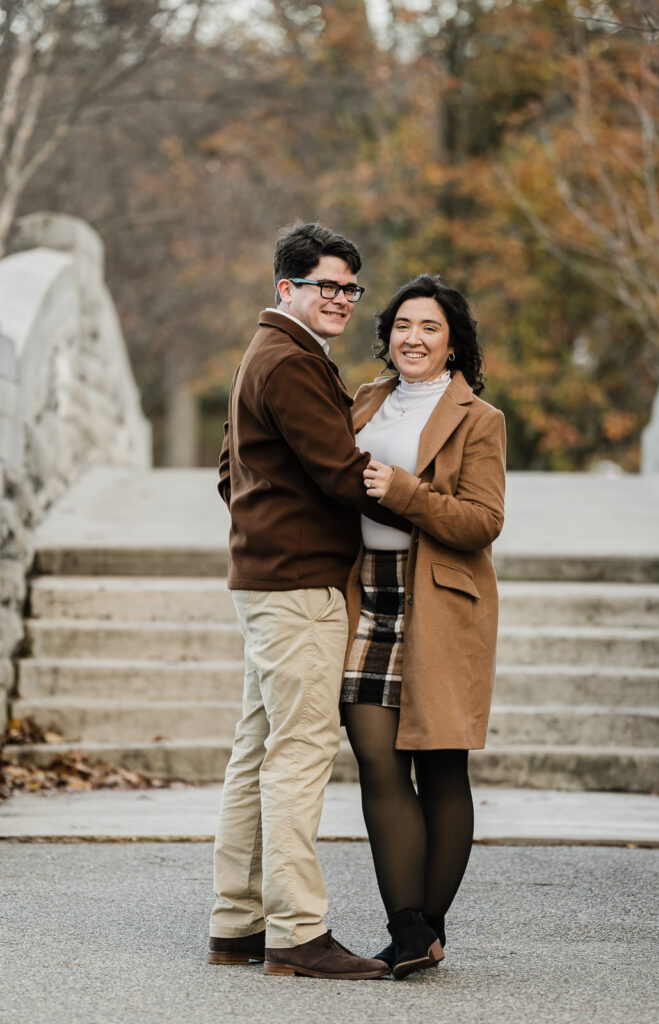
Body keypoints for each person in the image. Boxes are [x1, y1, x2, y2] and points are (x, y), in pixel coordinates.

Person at [208, 221, 410, 980]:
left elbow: (229, 471)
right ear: (286, 288)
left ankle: (237, 921)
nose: (342, 300)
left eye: (351, 289)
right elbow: (339, 471)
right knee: (297, 756)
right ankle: (296, 932)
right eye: (327, 285)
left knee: (256, 751)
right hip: (297, 586)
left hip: (265, 579)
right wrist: (430, 509)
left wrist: (265, 515)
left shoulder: (264, 354)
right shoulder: (290, 360)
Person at [340, 273, 506, 980]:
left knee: (440, 762)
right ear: (388, 337)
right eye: (402, 325)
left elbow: (481, 520)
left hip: (438, 598)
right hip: (366, 598)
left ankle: (425, 929)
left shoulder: (478, 418)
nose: (413, 338)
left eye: (429, 327)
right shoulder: (364, 401)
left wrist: (404, 492)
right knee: (375, 756)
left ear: (452, 342)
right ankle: (406, 925)